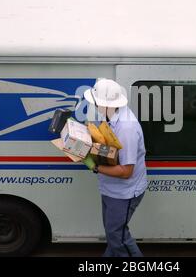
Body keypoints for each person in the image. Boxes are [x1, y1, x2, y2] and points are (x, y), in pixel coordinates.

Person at [82, 78, 148, 257]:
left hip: (124, 192)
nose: (92, 105)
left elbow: (126, 172)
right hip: (112, 189)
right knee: (114, 234)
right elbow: (111, 149)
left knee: (117, 237)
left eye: (94, 102)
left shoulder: (126, 128)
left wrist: (94, 167)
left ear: (102, 103)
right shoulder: (112, 116)